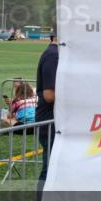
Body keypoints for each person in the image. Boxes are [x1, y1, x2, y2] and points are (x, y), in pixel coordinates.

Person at [36, 35, 59, 184]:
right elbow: (49, 95)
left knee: (53, 170)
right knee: (50, 171)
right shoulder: (53, 55)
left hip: (52, 121)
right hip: (50, 121)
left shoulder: (54, 53)